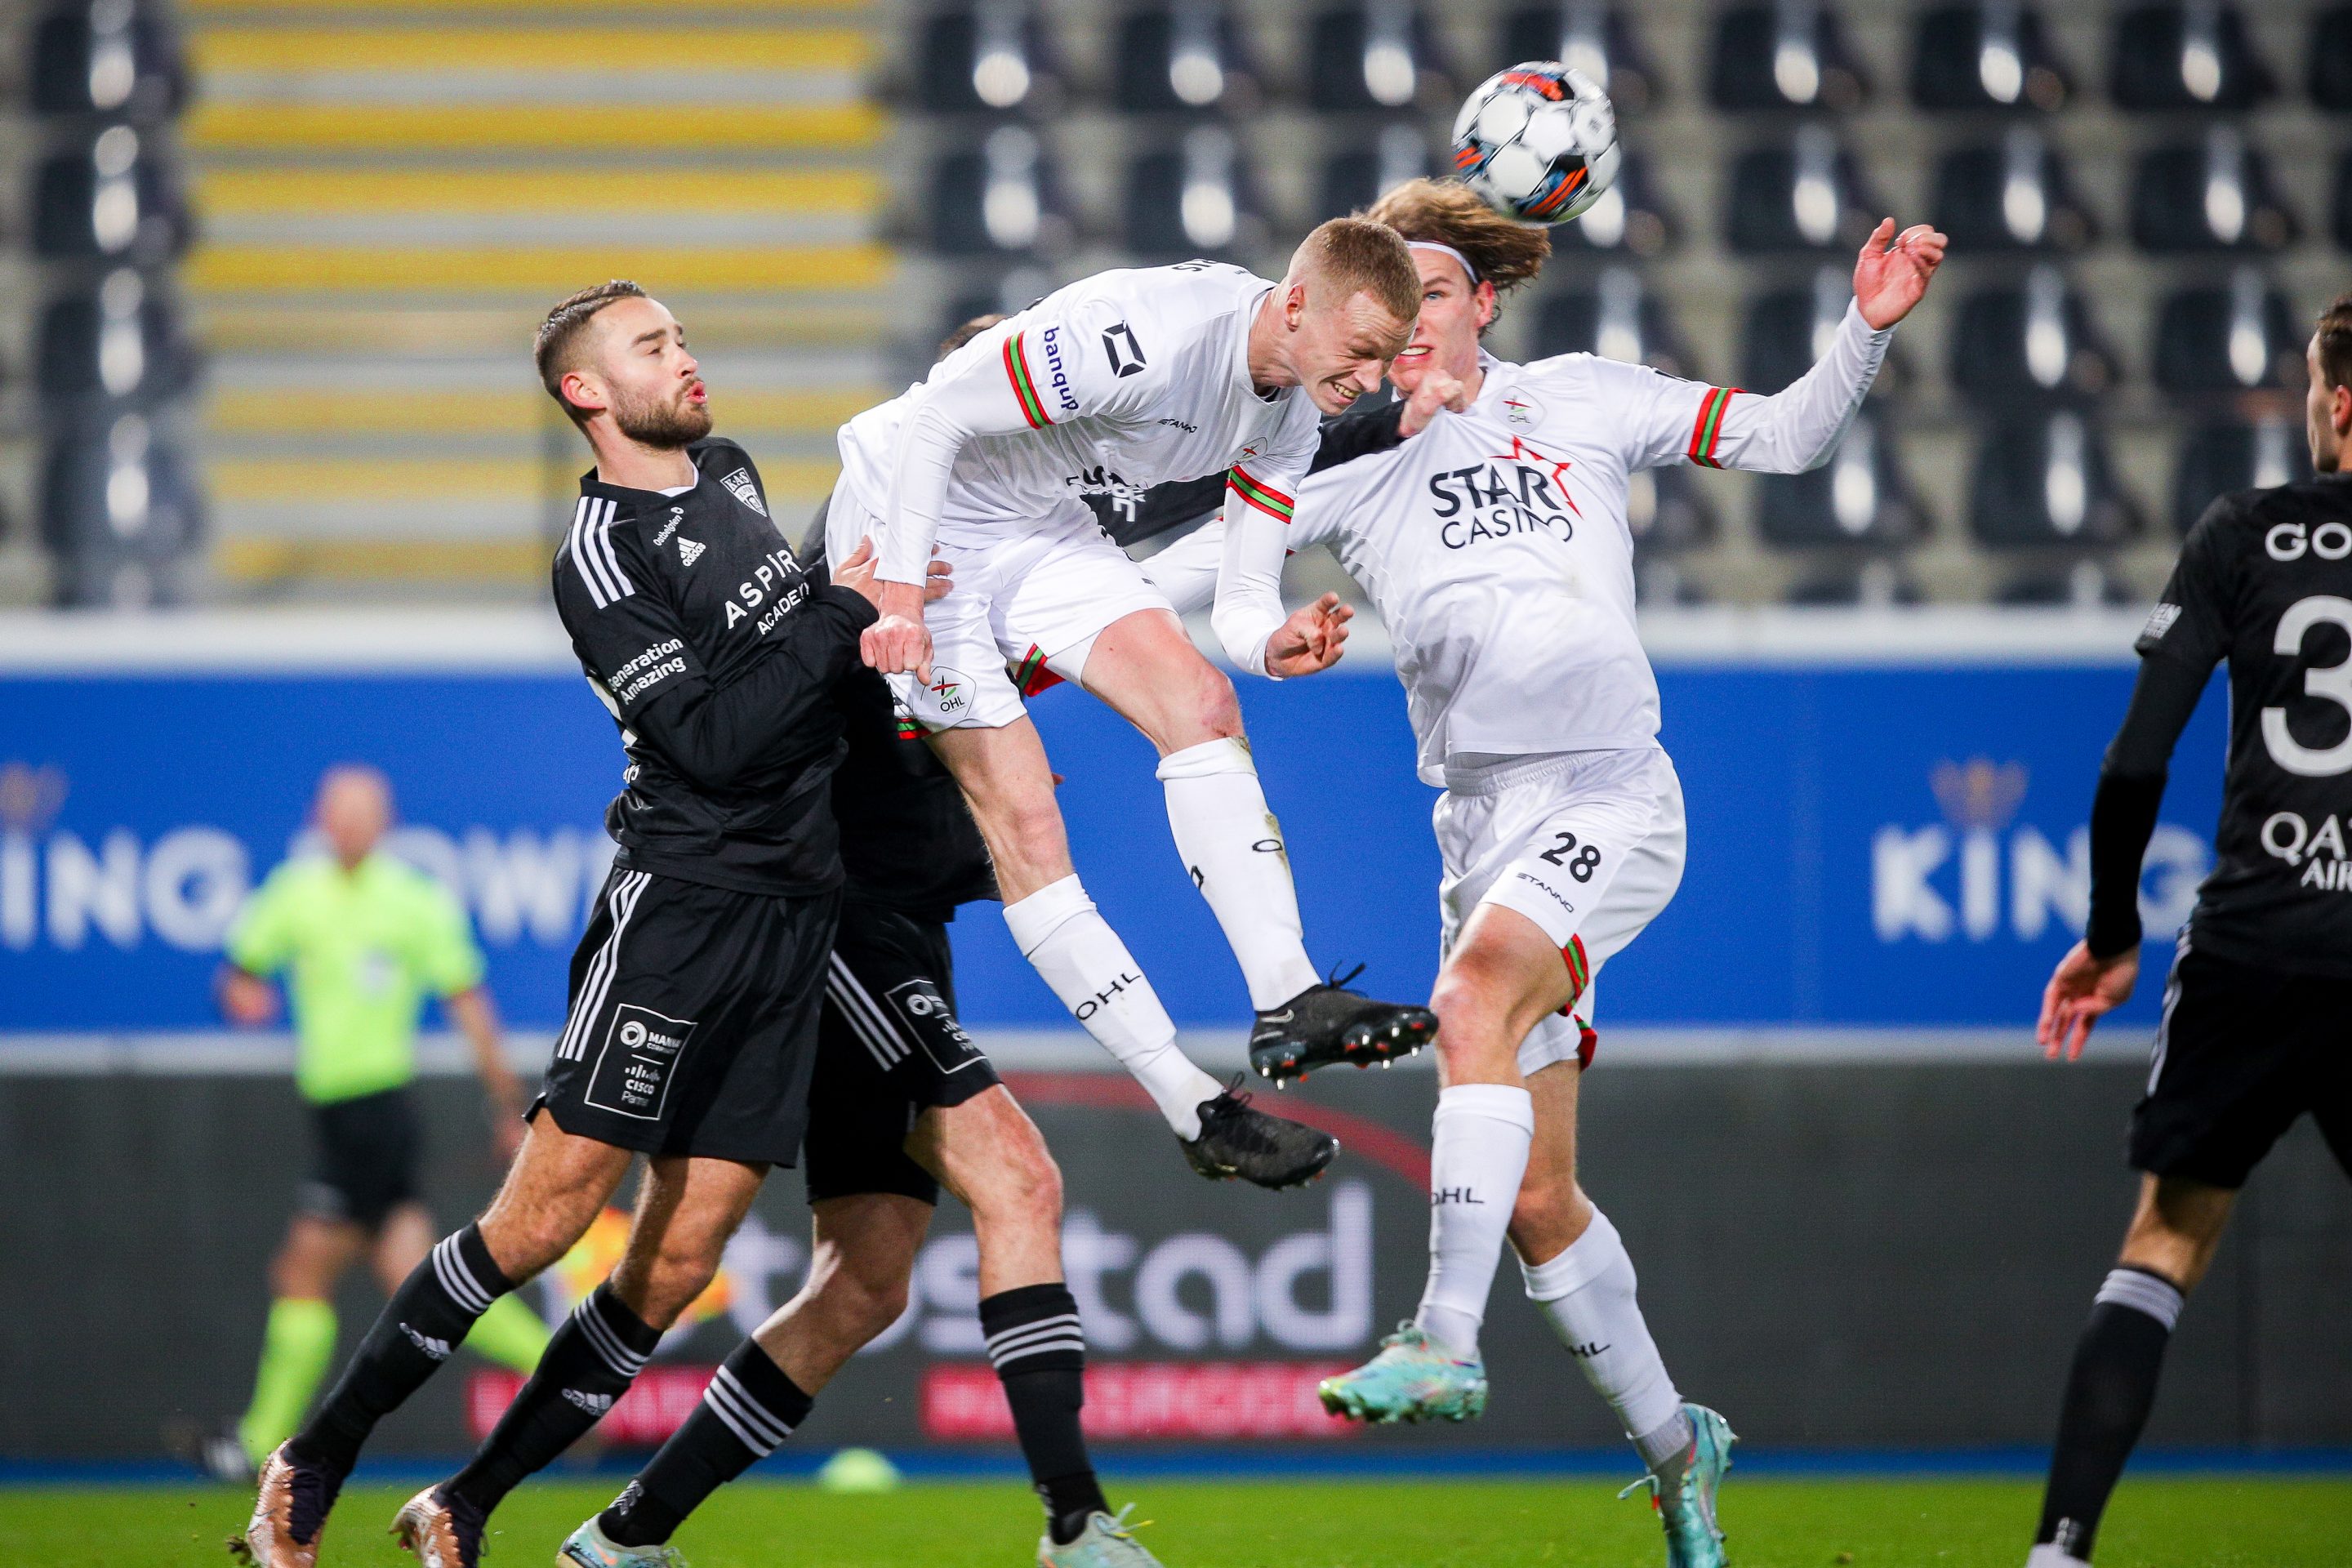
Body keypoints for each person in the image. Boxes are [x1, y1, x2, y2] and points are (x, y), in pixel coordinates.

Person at [1142, 180, 1944, 1568]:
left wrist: (1862, 331)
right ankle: (1682, 1451)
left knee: (1471, 1002)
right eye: (1388, 315)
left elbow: (1788, 437)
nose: (1409, 329)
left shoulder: (1582, 395)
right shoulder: (1342, 454)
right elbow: (1234, 575)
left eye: (1432, 296)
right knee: (1534, 1195)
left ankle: (1442, 1340)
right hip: (1481, 826)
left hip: (1611, 788)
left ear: (1481, 304)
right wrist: (1265, 640)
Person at [236, 280, 902, 1568]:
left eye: (685, 336)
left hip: (794, 919)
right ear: (586, 392)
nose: (687, 359)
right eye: (654, 347)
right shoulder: (597, 558)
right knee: (540, 1222)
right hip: (684, 908)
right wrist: (837, 613)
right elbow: (707, 739)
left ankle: (465, 1503)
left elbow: (792, 696)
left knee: (683, 1254)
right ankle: (311, 1460)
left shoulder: (735, 474)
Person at [555, 443, 1171, 1568]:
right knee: (1019, 1179)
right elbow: (781, 711)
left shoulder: (1000, 572)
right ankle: (1074, 1523)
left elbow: (1147, 534)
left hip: (901, 935)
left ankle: (624, 1535)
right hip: (834, 930)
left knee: (867, 1277)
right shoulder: (867, 558)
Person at [831, 221, 1439, 1186]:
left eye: (1385, 360)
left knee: (1201, 699)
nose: (1371, 379)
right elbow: (938, 418)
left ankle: (1291, 996)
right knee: (1023, 813)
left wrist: (1269, 646)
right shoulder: (1144, 336)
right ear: (1294, 305)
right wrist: (898, 593)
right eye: (1361, 352)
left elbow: (1242, 597)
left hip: (1036, 523)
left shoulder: (1287, 418)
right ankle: (1190, 1103)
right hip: (917, 513)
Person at [2025, 296, 2352, 1567]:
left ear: (2337, 399)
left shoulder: (2248, 534)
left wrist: (2113, 934)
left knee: (2164, 1242)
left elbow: (2131, 768)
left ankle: (2061, 1550)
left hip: (2255, 950)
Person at [181, 764, 546, 1484]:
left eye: (363, 812)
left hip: (375, 1115)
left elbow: (468, 1002)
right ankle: (566, 1374)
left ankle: (256, 1445)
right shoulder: (295, 893)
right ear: (320, 818)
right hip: (340, 1117)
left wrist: (506, 1103)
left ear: (385, 823)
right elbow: (240, 972)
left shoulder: (413, 903)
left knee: (301, 1272)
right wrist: (243, 995)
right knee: (422, 1278)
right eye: (337, 811)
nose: (348, 824)